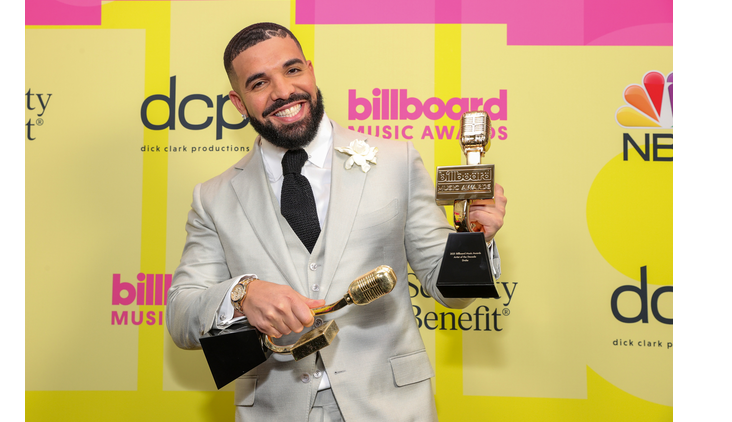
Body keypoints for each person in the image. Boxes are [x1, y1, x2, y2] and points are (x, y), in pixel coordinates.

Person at [166, 22, 507, 422]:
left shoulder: (397, 162)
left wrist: (474, 239)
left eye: (292, 70)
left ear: (310, 70)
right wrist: (242, 294)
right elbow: (181, 314)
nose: (283, 92)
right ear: (239, 103)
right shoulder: (214, 197)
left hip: (391, 408)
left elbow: (450, 290)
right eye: (259, 83)